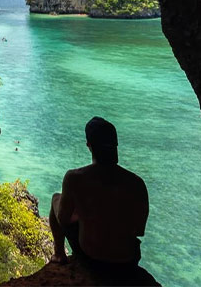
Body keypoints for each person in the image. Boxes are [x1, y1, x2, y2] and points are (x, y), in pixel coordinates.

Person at [49, 117, 151, 283]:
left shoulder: (75, 178)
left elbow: (64, 219)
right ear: (116, 144)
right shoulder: (137, 183)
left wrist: (85, 215)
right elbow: (139, 230)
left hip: (92, 259)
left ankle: (59, 254)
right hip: (127, 262)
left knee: (56, 198)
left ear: (89, 145)